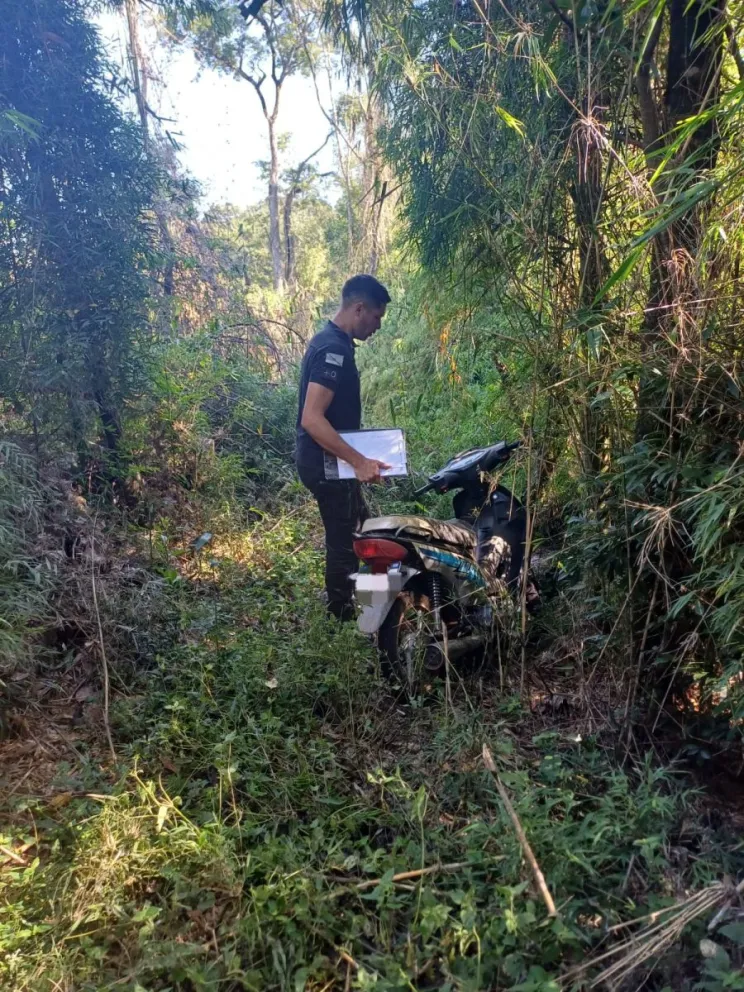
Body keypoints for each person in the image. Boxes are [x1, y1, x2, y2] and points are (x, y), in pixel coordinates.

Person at [296, 275, 392, 621]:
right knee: (344, 543)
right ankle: (340, 620)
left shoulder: (331, 341)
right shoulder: (333, 349)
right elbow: (312, 418)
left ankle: (381, 606)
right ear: (359, 308)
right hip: (325, 463)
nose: (378, 325)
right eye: (377, 317)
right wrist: (359, 461)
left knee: (365, 528)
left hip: (331, 460)